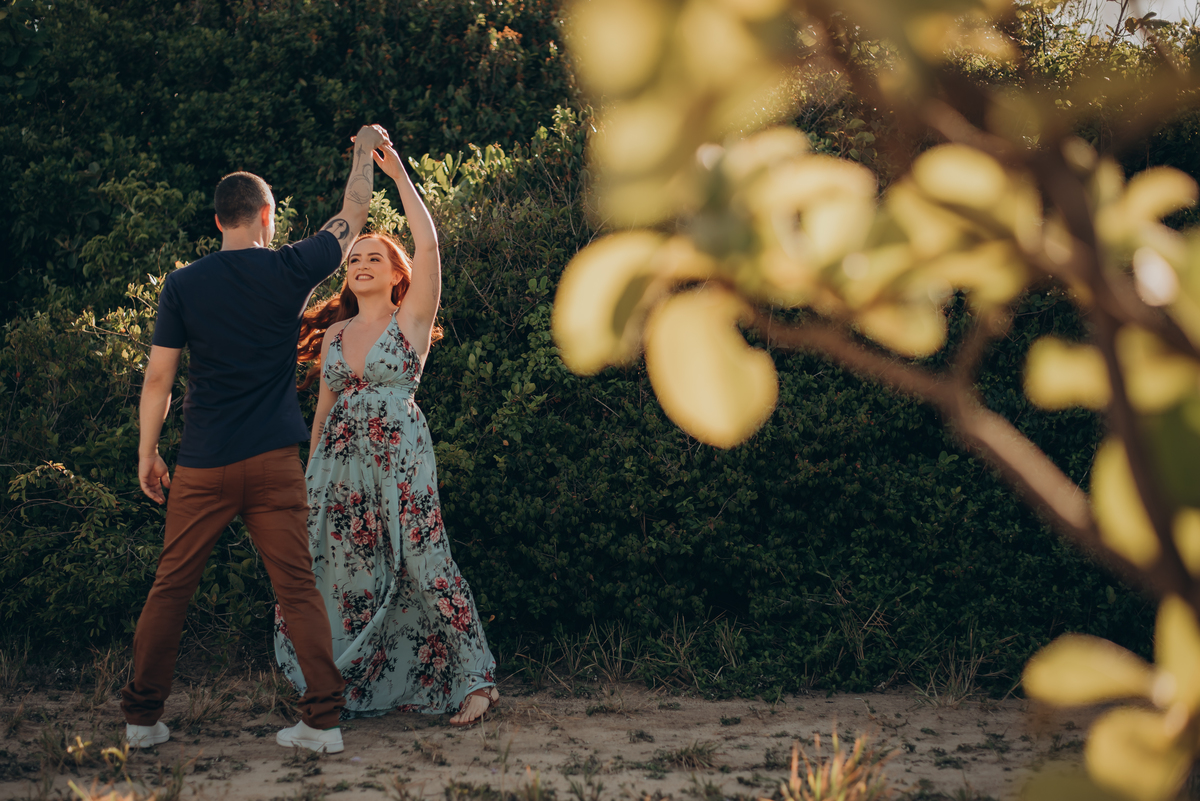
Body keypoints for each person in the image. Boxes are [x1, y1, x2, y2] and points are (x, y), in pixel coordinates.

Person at [122, 123, 393, 754]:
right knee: (297, 588)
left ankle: (141, 720)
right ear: (267, 217)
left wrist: (147, 452)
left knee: (171, 588)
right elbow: (354, 214)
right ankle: (322, 724)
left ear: (219, 220)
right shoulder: (290, 267)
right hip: (274, 464)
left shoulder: (183, 284)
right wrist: (362, 152)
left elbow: (159, 378)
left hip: (204, 464)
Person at [274, 142, 498, 727]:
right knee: (346, 568)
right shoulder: (334, 335)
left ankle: (476, 678)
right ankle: (346, 680)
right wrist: (309, 482)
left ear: (398, 275)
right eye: (354, 259)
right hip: (337, 467)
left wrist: (396, 172)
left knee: (424, 559)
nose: (361, 264)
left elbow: (429, 246)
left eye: (375, 257)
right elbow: (323, 413)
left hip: (400, 458)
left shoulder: (411, 320)